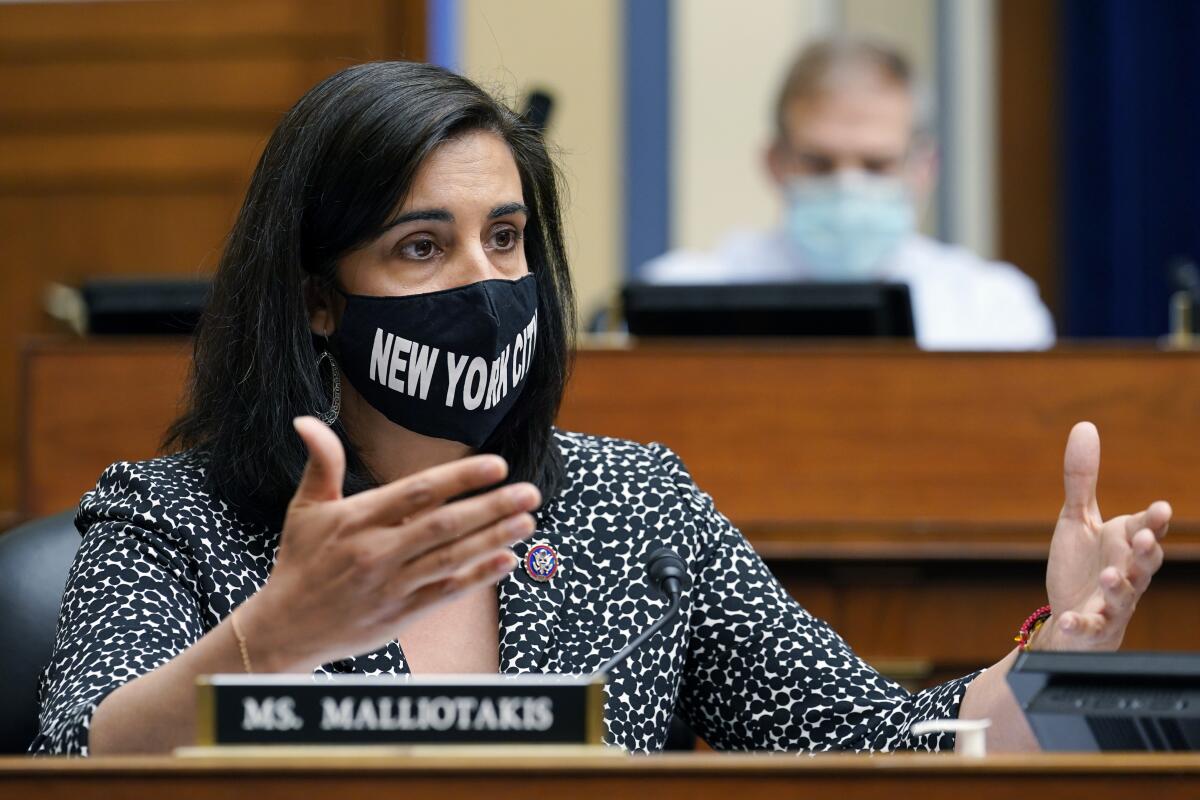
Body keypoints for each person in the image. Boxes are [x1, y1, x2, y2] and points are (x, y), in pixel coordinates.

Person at [33, 61, 1168, 756]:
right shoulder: (175, 516)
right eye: (422, 245)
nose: (484, 280)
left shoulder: (633, 501)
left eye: (507, 238)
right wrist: (270, 640)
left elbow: (874, 739)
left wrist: (1058, 655)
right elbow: (77, 758)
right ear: (319, 299)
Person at [640, 37, 1056, 351]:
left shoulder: (991, 311)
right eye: (819, 163)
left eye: (877, 165)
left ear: (924, 167)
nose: (848, 186)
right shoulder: (680, 295)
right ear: (774, 162)